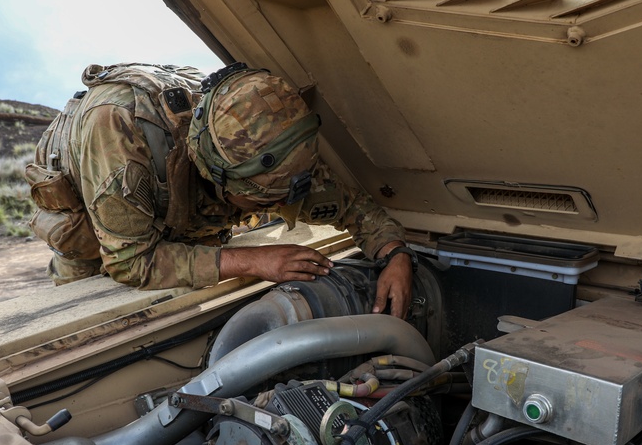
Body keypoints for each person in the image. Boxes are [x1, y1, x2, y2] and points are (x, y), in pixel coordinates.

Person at [27, 62, 415, 318]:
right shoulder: (118, 134)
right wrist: (254, 260)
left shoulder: (262, 137)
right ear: (218, 177)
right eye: (264, 202)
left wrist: (395, 254)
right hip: (92, 219)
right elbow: (129, 262)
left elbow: (350, 206)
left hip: (172, 200)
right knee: (93, 323)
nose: (281, 205)